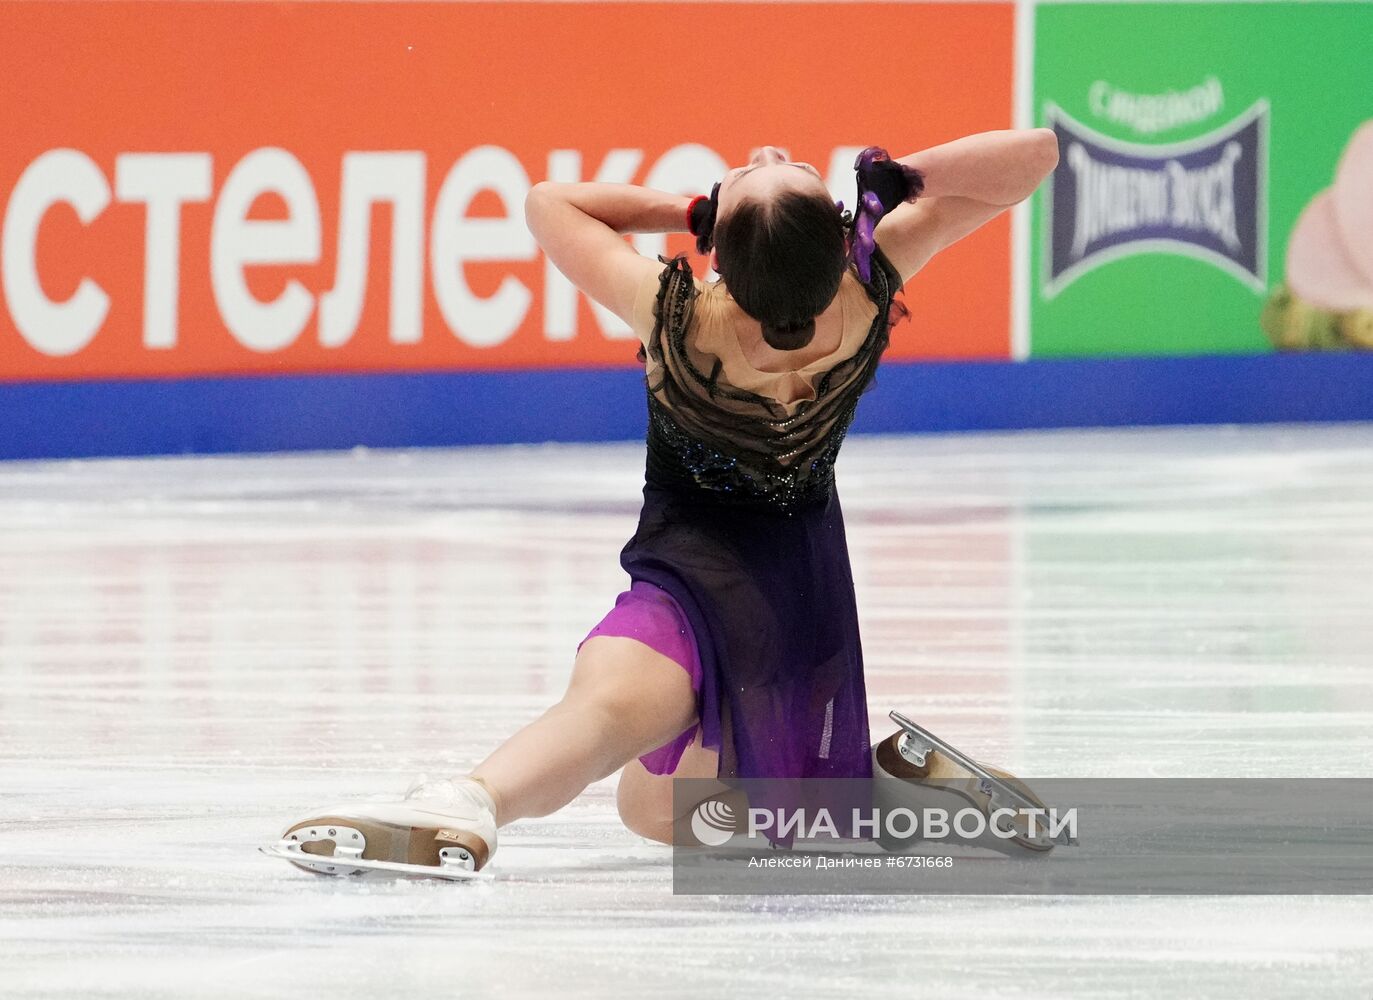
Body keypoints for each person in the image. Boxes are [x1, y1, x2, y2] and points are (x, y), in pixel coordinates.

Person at [265, 133, 1062, 879]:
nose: (764, 150)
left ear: (724, 248)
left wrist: (687, 212)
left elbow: (550, 203)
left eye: (755, 174)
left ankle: (466, 801)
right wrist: (899, 178)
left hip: (692, 577)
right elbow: (1033, 156)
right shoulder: (872, 281)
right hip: (799, 597)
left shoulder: (676, 315)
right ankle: (895, 794)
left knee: (603, 713)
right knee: (653, 809)